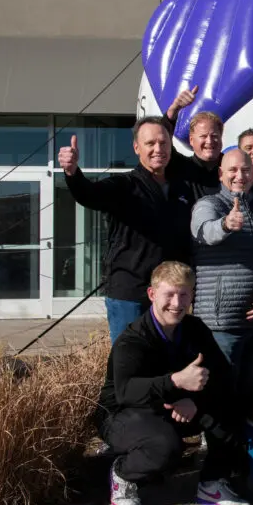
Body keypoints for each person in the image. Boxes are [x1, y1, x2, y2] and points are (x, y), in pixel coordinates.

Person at [96, 262, 251, 505]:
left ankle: (212, 483)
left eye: (184, 294)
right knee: (165, 447)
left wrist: (194, 401)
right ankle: (123, 473)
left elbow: (220, 375)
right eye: (169, 294)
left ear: (192, 295)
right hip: (123, 414)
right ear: (152, 294)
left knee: (232, 408)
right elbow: (126, 392)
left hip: (177, 406)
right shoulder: (133, 339)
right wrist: (176, 382)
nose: (177, 303)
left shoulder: (195, 328)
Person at [58, 117, 194, 343]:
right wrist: (73, 173)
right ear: (136, 147)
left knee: (167, 364)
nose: (158, 149)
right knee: (129, 364)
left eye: (163, 143)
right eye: (150, 143)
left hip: (171, 295)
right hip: (130, 294)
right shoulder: (124, 186)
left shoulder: (183, 189)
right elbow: (89, 194)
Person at [189, 149, 253, 396]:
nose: (240, 175)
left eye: (246, 170)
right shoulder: (209, 205)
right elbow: (202, 232)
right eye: (233, 170)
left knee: (251, 393)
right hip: (220, 325)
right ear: (220, 174)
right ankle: (212, 436)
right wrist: (226, 225)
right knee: (219, 391)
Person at [163, 87, 223, 200]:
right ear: (191, 140)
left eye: (214, 136)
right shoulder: (178, 167)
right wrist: (173, 111)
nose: (209, 141)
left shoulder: (233, 168)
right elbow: (162, 141)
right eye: (203, 136)